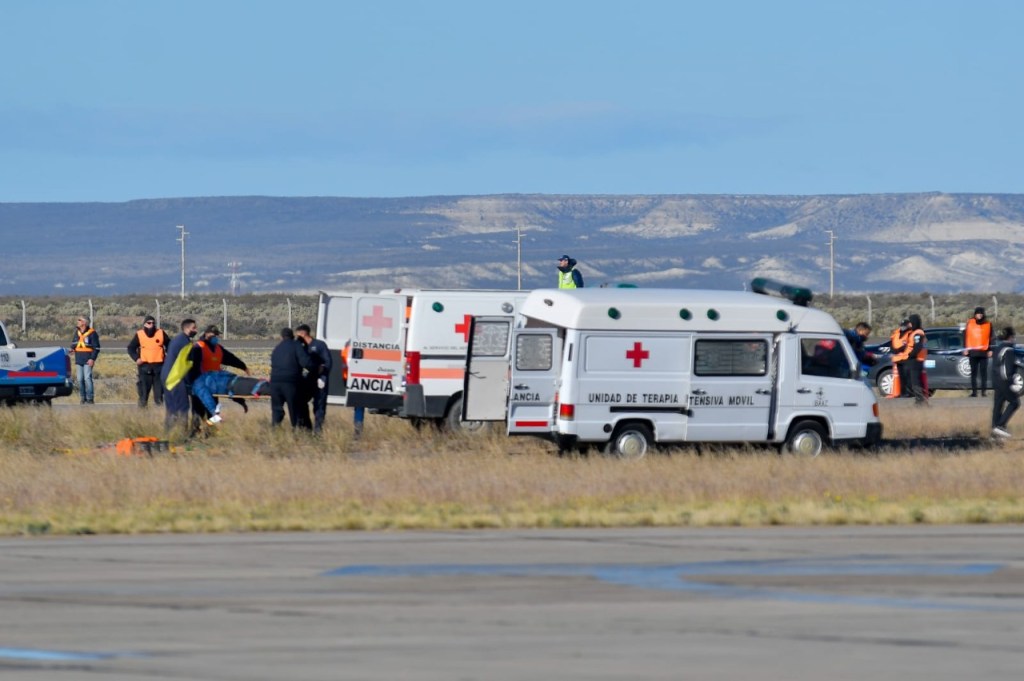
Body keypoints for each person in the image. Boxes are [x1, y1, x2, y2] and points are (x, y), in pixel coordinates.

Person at [185, 325, 249, 434]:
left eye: (217, 335)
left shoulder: (218, 349)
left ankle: (209, 432)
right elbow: (191, 367)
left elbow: (231, 359)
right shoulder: (198, 347)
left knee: (212, 412)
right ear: (206, 334)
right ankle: (195, 432)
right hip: (200, 385)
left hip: (214, 386)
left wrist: (243, 366)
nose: (215, 337)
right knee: (198, 411)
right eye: (213, 335)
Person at [270, 327, 314, 429]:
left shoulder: (277, 348)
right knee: (294, 408)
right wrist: (315, 368)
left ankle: (275, 430)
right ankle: (296, 429)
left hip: (275, 382)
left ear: (281, 337)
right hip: (290, 382)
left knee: (277, 409)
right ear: (292, 336)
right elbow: (305, 362)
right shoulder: (296, 346)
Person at [161, 318, 198, 432]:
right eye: (194, 328)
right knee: (182, 407)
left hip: (166, 376)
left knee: (171, 407)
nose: (196, 330)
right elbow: (185, 364)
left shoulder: (177, 339)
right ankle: (182, 433)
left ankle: (168, 433)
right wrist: (190, 382)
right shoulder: (185, 343)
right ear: (187, 328)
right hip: (176, 378)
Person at [127, 315, 169, 407]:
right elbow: (131, 348)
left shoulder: (161, 333)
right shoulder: (139, 334)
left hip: (159, 368)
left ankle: (158, 415)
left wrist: (168, 357)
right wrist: (136, 358)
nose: (151, 325)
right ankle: (142, 415)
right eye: (149, 323)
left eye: (153, 323)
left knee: (159, 396)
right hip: (144, 368)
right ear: (145, 324)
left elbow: (169, 345)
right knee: (143, 395)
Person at [296, 323, 331, 434]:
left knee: (319, 405)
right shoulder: (301, 347)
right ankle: (305, 428)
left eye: (298, 334)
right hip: (307, 380)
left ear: (303, 333)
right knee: (301, 402)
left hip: (319, 379)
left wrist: (323, 375)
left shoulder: (319, 345)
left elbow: (328, 362)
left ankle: (318, 431)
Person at [991, 327, 1023, 439]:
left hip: (996, 380)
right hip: (1004, 380)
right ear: (1010, 337)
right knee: (1015, 403)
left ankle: (994, 431)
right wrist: (1010, 380)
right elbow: (1007, 368)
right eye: (1013, 337)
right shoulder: (1008, 350)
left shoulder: (998, 348)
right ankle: (1000, 426)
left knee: (998, 404)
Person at [964, 306, 993, 397]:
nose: (979, 315)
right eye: (978, 313)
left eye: (981, 313)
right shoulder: (970, 323)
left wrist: (991, 350)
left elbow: (991, 338)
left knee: (983, 373)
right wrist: (965, 348)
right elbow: (965, 336)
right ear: (975, 314)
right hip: (972, 352)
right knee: (973, 373)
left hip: (984, 352)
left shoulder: (988, 324)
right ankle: (974, 392)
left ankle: (983, 392)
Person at [71, 315, 101, 404]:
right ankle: (82, 398)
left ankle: (90, 398)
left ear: (84, 322)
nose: (77, 321)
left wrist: (92, 359)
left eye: (79, 320)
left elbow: (97, 348)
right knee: (80, 379)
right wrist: (72, 349)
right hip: (79, 359)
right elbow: (74, 343)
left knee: (87, 378)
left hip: (88, 359)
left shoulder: (92, 333)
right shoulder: (77, 332)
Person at [904, 314, 928, 404]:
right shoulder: (917, 332)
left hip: (916, 360)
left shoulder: (918, 333)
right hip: (917, 359)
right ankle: (921, 400)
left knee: (915, 382)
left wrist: (910, 355)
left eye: (910, 322)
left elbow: (918, 347)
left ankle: (919, 400)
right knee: (916, 381)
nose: (909, 325)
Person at [888, 318, 912, 398]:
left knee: (907, 376)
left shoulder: (909, 333)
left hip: (906, 358)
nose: (903, 327)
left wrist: (897, 351)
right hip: (897, 359)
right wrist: (893, 352)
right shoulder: (896, 333)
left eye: (904, 325)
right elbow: (891, 344)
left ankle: (909, 393)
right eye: (902, 325)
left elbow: (907, 345)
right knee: (901, 376)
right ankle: (902, 393)